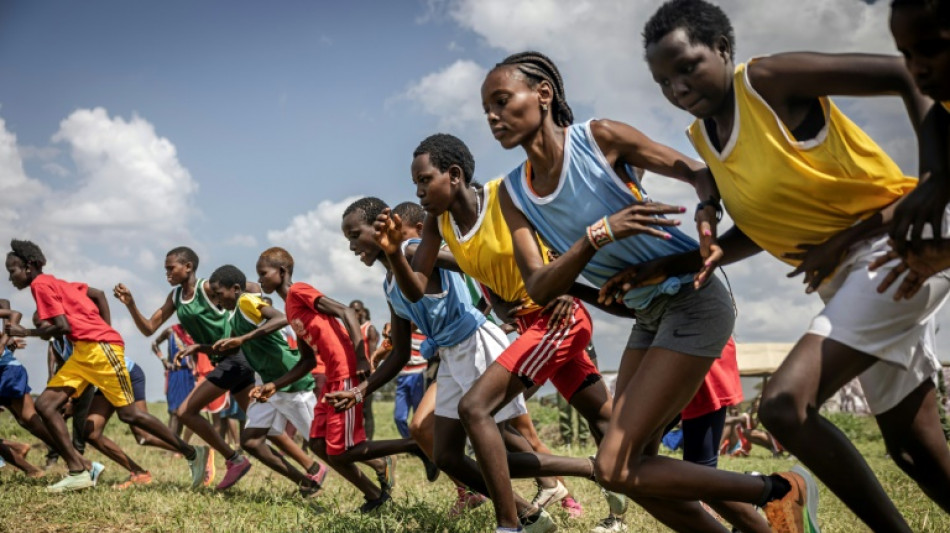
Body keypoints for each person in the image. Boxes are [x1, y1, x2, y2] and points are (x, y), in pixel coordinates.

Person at [601, 1, 950, 530]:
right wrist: (681, 258)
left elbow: (906, 75)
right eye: (663, 82)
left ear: (721, 49)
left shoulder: (767, 82)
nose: (677, 88)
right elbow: (763, 219)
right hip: (846, 277)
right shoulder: (703, 137)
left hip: (892, 248)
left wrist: (936, 180)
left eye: (687, 66)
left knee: (785, 405)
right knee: (913, 448)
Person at [479, 48, 815, 533]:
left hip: (693, 299)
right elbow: (540, 283)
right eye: (486, 109)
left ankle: (780, 489)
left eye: (502, 100)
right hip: (648, 316)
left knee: (616, 466)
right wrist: (598, 236)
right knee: (629, 475)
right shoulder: (512, 193)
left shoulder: (599, 139)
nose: (493, 116)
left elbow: (700, 172)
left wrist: (705, 214)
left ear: (543, 95)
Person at [381, 135, 627, 533]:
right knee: (604, 420)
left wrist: (567, 288)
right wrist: (394, 253)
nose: (419, 192)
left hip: (558, 318)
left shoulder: (502, 198)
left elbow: (558, 235)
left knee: (478, 410)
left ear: (454, 175)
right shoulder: (438, 223)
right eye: (415, 184)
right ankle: (628, 500)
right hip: (531, 326)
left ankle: (511, 524)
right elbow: (416, 288)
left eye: (425, 180)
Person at [5, 239, 204, 492]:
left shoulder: (41, 286)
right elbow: (96, 294)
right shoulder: (57, 282)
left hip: (99, 350)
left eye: (13, 271)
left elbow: (62, 327)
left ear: (30, 266)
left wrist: (28, 332)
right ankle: (78, 470)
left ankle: (192, 453)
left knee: (129, 415)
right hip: (83, 352)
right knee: (45, 405)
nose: (10, 278)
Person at [254, 247, 417, 514]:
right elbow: (307, 361)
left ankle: (407, 449)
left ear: (282, 272)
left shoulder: (299, 291)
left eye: (263, 274)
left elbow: (346, 312)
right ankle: (375, 494)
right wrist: (275, 384)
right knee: (318, 444)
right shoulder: (290, 309)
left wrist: (361, 356)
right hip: (331, 377)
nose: (260, 281)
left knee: (344, 449)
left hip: (347, 373)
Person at [113, 246, 249, 489]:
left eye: (171, 268)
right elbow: (148, 329)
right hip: (220, 361)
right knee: (259, 421)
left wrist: (260, 313)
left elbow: (245, 288)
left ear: (188, 267)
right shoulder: (175, 298)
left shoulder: (208, 288)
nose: (167, 274)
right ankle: (301, 471)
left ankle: (235, 459)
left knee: (188, 412)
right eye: (165, 269)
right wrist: (131, 304)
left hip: (236, 356)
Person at [199, 265, 328, 496]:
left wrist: (244, 338)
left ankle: (378, 467)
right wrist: (200, 348)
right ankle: (306, 482)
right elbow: (237, 344)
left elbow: (282, 318)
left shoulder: (246, 301)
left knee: (324, 445)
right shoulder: (235, 313)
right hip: (267, 383)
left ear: (235, 288)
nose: (217, 301)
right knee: (251, 441)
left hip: (288, 381)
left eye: (219, 294)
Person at [152, 324, 196, 442]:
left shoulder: (195, 331)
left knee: (185, 412)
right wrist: (164, 361)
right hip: (175, 374)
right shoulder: (171, 331)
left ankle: (179, 445)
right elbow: (154, 344)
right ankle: (171, 445)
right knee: (174, 411)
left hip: (190, 375)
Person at [349, 300, 379, 439]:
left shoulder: (369, 329)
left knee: (366, 409)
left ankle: (368, 440)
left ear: (362, 311)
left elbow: (373, 354)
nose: (355, 313)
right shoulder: (350, 329)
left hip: (366, 374)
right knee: (355, 408)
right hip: (353, 373)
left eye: (357, 310)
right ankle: (357, 437)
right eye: (352, 310)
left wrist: (372, 374)